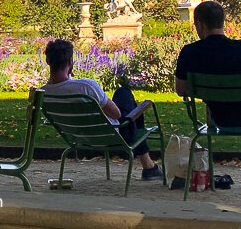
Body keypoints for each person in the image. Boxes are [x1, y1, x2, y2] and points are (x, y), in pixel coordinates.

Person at [41, 39, 162, 180]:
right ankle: (148, 166)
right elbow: (116, 114)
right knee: (124, 94)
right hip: (111, 135)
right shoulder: (86, 87)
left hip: (79, 137)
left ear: (48, 61)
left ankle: (149, 166)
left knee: (128, 109)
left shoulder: (43, 94)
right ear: (69, 62)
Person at [175, 1, 241, 127]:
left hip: (221, 120)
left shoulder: (190, 52)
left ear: (200, 24)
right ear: (222, 22)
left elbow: (181, 89)